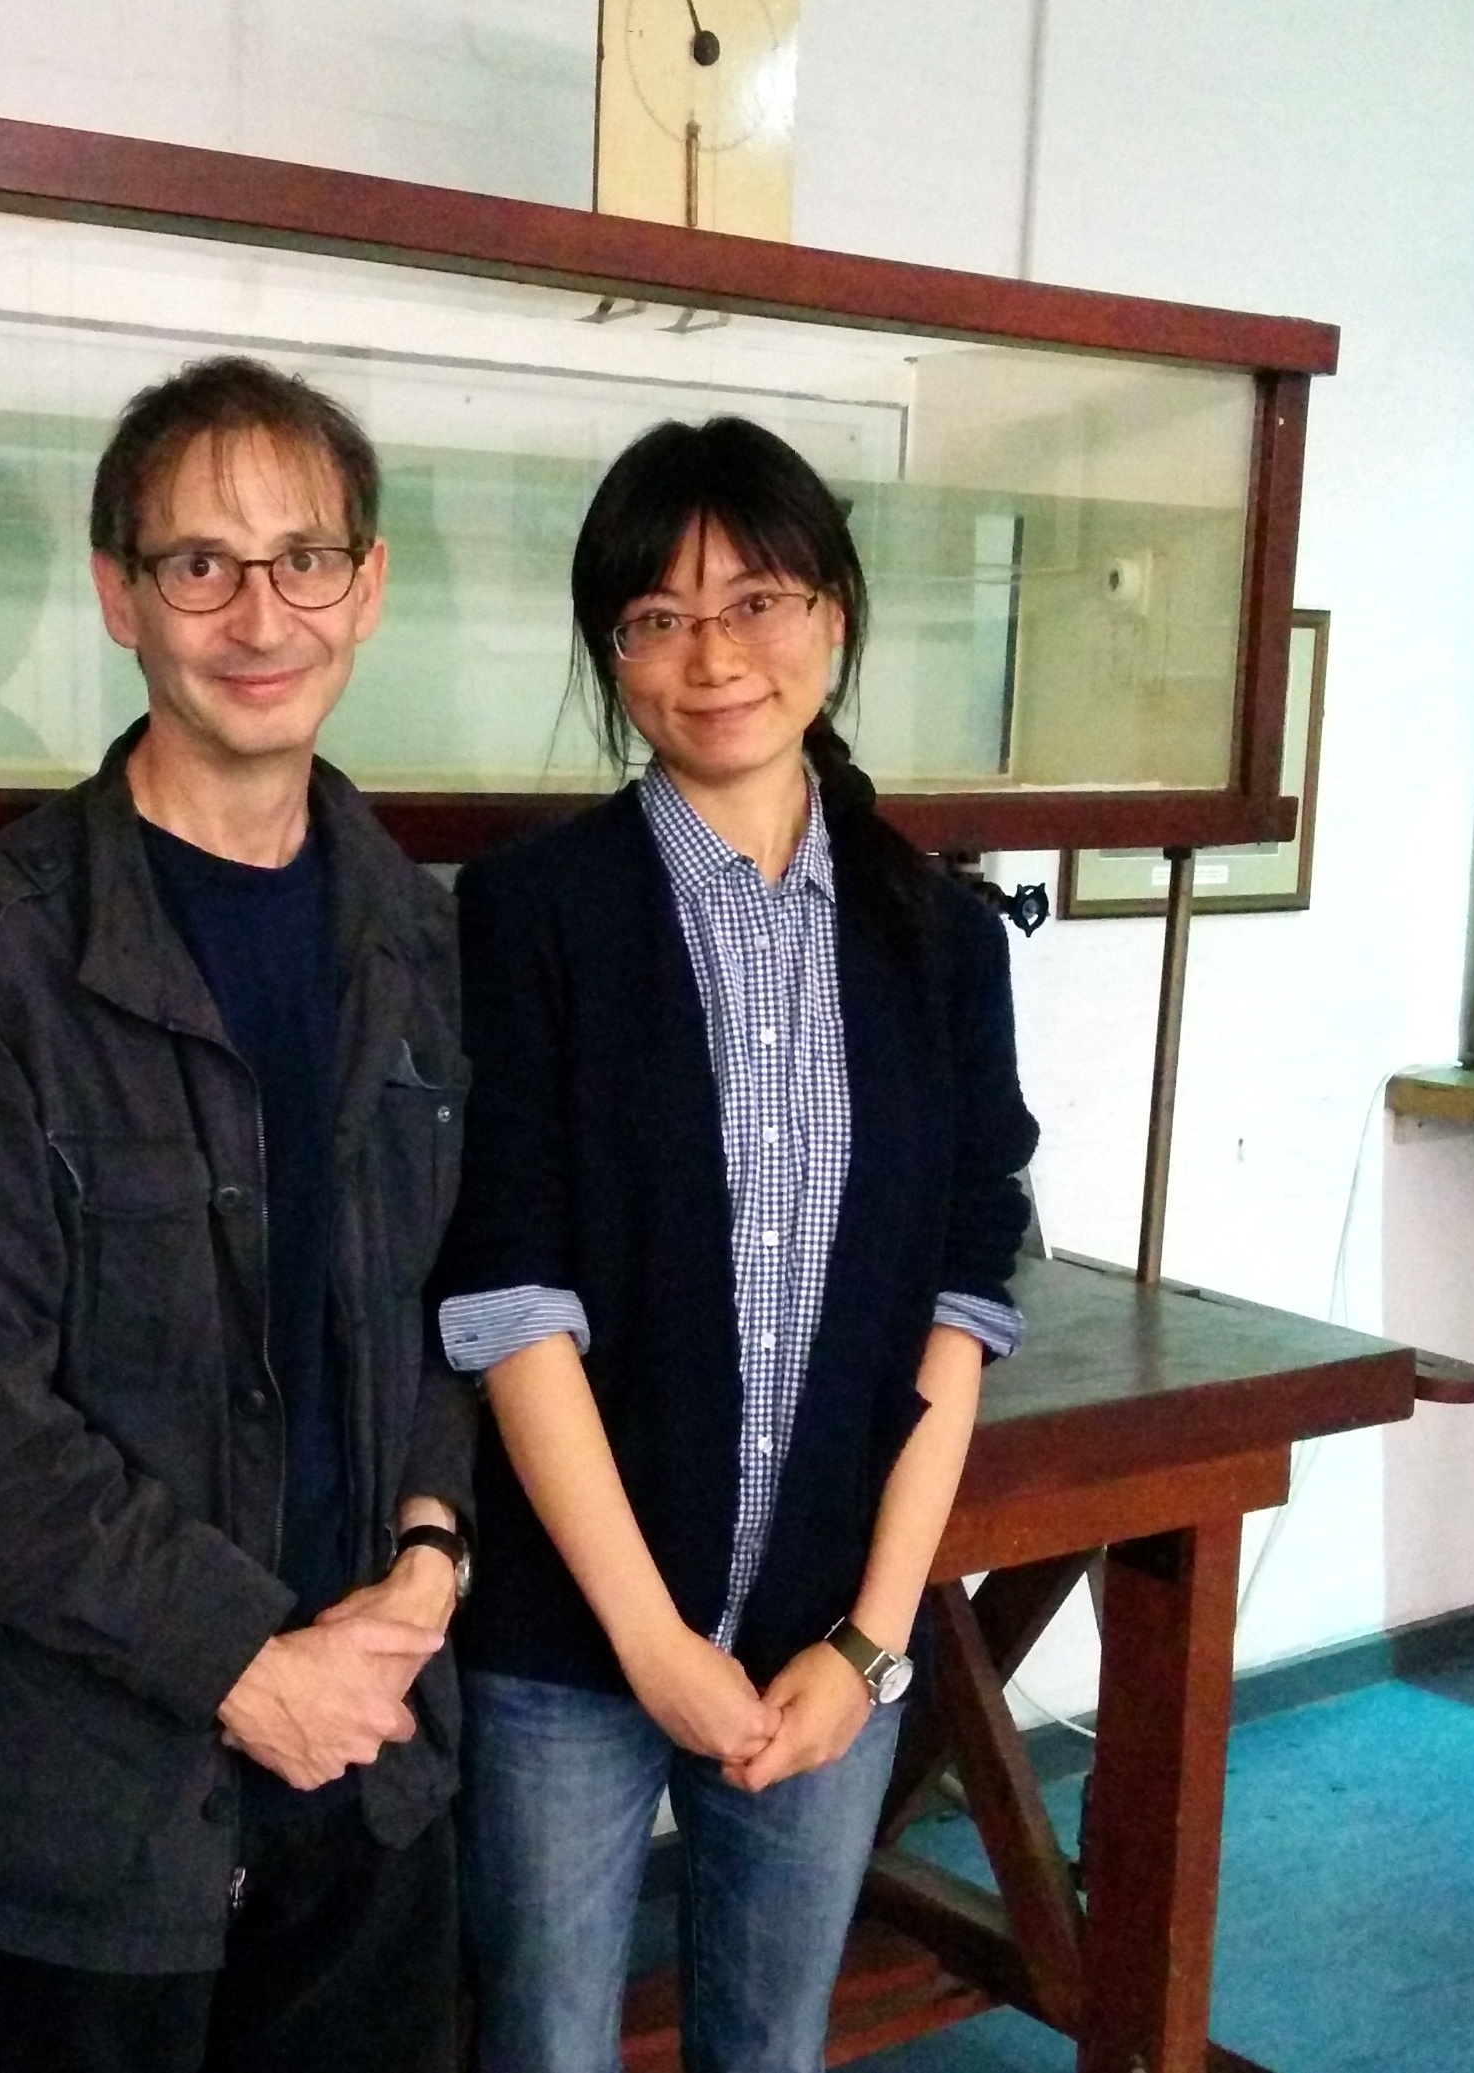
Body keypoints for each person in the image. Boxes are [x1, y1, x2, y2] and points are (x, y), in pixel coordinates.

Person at [0, 355, 476, 2073]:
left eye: (303, 558)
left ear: (368, 587)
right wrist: (240, 1660)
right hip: (93, 1789)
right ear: (119, 593)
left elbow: (463, 1301)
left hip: (377, 1748)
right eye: (198, 563)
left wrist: (427, 1559)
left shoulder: (420, 946)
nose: (255, 611)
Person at [431, 416, 1039, 2073]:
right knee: (542, 2045)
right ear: (610, 653)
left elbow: (963, 1295)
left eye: (755, 599)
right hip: (571, 1636)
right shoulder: (527, 913)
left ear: (834, 617)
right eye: (654, 616)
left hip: (828, 1628)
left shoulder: (942, 935)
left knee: (766, 2047)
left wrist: (869, 1638)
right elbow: (505, 1294)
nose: (711, 657)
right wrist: (649, 1644)